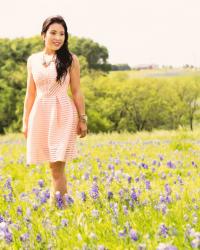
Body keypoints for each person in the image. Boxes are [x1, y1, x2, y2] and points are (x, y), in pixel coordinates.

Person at [22, 15, 88, 208]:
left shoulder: (70, 59)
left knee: (57, 167)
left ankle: (60, 211)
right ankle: (58, 209)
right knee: (52, 167)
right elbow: (30, 93)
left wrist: (82, 119)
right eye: (53, 33)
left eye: (62, 33)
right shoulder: (33, 60)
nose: (58, 37)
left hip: (63, 114)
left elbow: (76, 91)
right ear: (43, 35)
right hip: (40, 114)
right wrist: (25, 121)